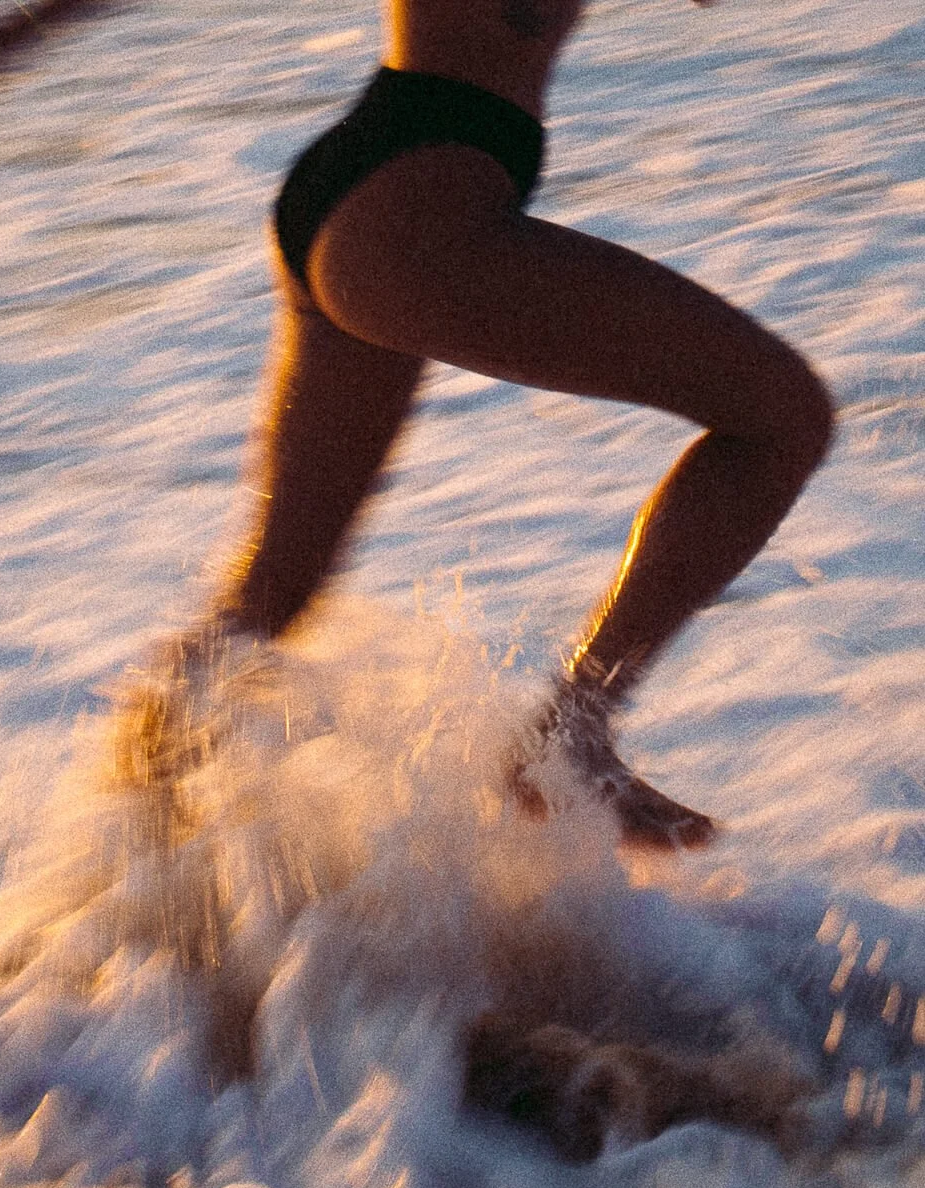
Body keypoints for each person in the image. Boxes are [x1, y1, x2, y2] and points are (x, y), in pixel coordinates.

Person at [214, 0, 835, 848]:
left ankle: (124, 860)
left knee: (271, 596)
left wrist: (42, 26)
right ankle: (571, 735)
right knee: (782, 420)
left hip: (373, 175)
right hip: (420, 206)